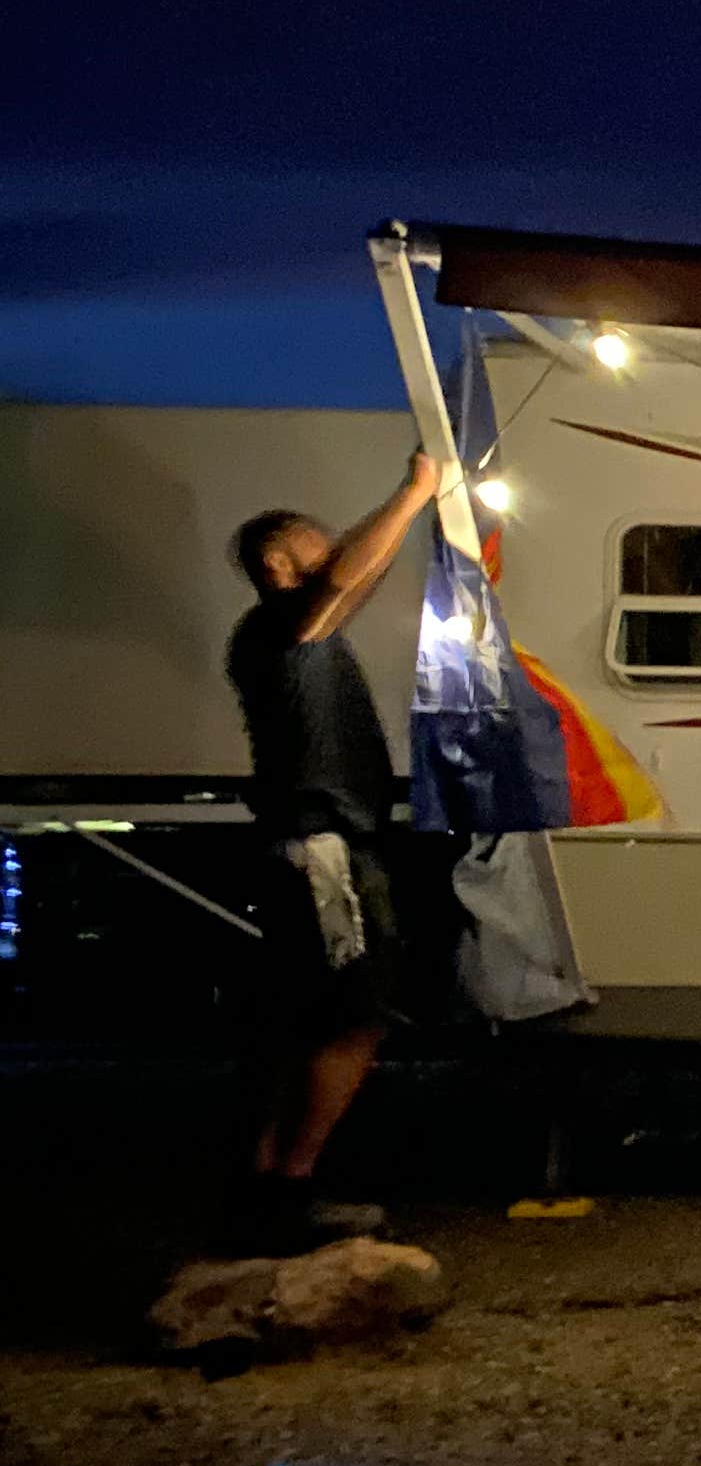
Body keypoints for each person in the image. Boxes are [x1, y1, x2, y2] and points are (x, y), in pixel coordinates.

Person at [225, 453, 440, 1243]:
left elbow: (359, 573)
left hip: (320, 847)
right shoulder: (280, 629)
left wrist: (409, 517)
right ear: (278, 564)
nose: (335, 548)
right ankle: (290, 1190)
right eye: (316, 542)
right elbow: (347, 577)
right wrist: (412, 494)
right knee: (354, 1020)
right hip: (326, 853)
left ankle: (266, 1189)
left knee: (311, 1021)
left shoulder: (297, 630)